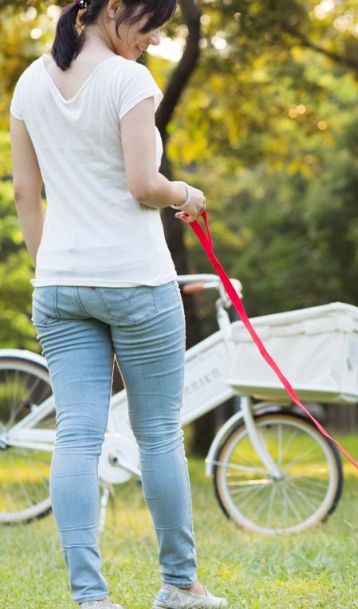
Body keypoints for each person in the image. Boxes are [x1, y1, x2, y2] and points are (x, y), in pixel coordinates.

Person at [10, 1, 227, 608]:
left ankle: (91, 598)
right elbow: (143, 184)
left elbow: (25, 192)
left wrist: (52, 266)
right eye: (150, 24)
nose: (154, 39)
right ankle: (180, 586)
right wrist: (186, 193)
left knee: (76, 437)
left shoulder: (29, 82)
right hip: (135, 281)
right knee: (157, 434)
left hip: (59, 284)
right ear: (112, 8)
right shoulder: (128, 81)